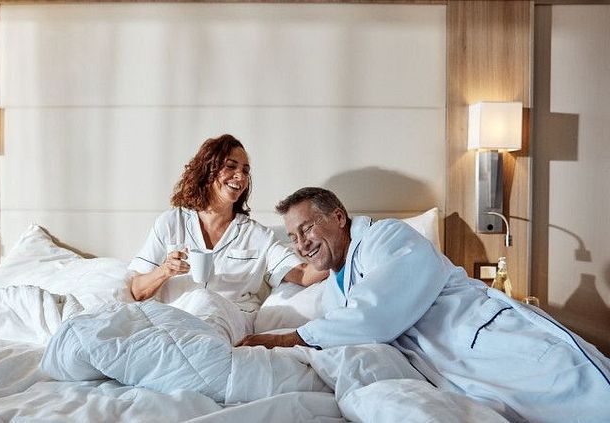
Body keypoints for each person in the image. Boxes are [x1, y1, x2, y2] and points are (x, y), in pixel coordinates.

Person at [238, 187, 610, 423]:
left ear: (338, 217)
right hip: (457, 371)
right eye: (293, 237)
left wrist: (290, 338)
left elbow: (377, 313)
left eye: (307, 228)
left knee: (585, 394)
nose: (301, 243)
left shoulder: (387, 237)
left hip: (491, 340)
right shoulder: (335, 291)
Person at [127, 135, 327, 343]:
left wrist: (341, 249)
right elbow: (137, 291)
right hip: (175, 321)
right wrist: (165, 270)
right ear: (208, 170)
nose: (240, 176)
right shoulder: (171, 223)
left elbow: (302, 274)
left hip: (231, 321)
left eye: (245, 171)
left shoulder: (256, 235)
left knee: (206, 302)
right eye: (231, 167)